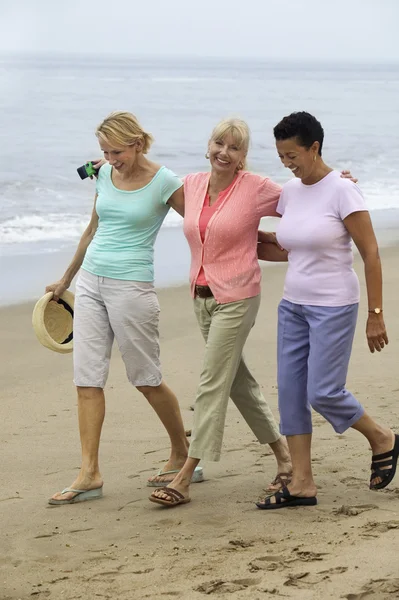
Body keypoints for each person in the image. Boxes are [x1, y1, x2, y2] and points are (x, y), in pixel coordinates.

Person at [149, 118, 357, 508]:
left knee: (212, 381)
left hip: (239, 297)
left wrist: (340, 182)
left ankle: (186, 474)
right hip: (202, 297)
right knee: (237, 381)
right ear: (207, 145)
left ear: (244, 157)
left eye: (235, 148)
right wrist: (106, 167)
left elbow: (309, 197)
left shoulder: (257, 189)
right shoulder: (191, 186)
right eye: (219, 144)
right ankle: (282, 455)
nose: (224, 153)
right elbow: (147, 181)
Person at [47, 111, 203, 505]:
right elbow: (92, 228)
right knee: (86, 379)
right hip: (91, 284)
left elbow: (202, 222)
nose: (110, 158)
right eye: (104, 151)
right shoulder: (100, 173)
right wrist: (66, 279)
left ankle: (182, 454)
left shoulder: (165, 181)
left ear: (138, 143)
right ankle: (89, 473)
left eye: (117, 150)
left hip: (132, 288)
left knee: (146, 377)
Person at [256, 111, 398, 510]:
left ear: (314, 147)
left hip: (334, 306)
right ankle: (302, 484)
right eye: (281, 156)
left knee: (323, 391)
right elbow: (295, 246)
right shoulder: (290, 190)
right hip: (293, 306)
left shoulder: (343, 190)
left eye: (292, 155)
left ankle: (382, 437)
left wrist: (375, 314)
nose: (287, 163)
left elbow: (370, 253)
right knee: (291, 393)